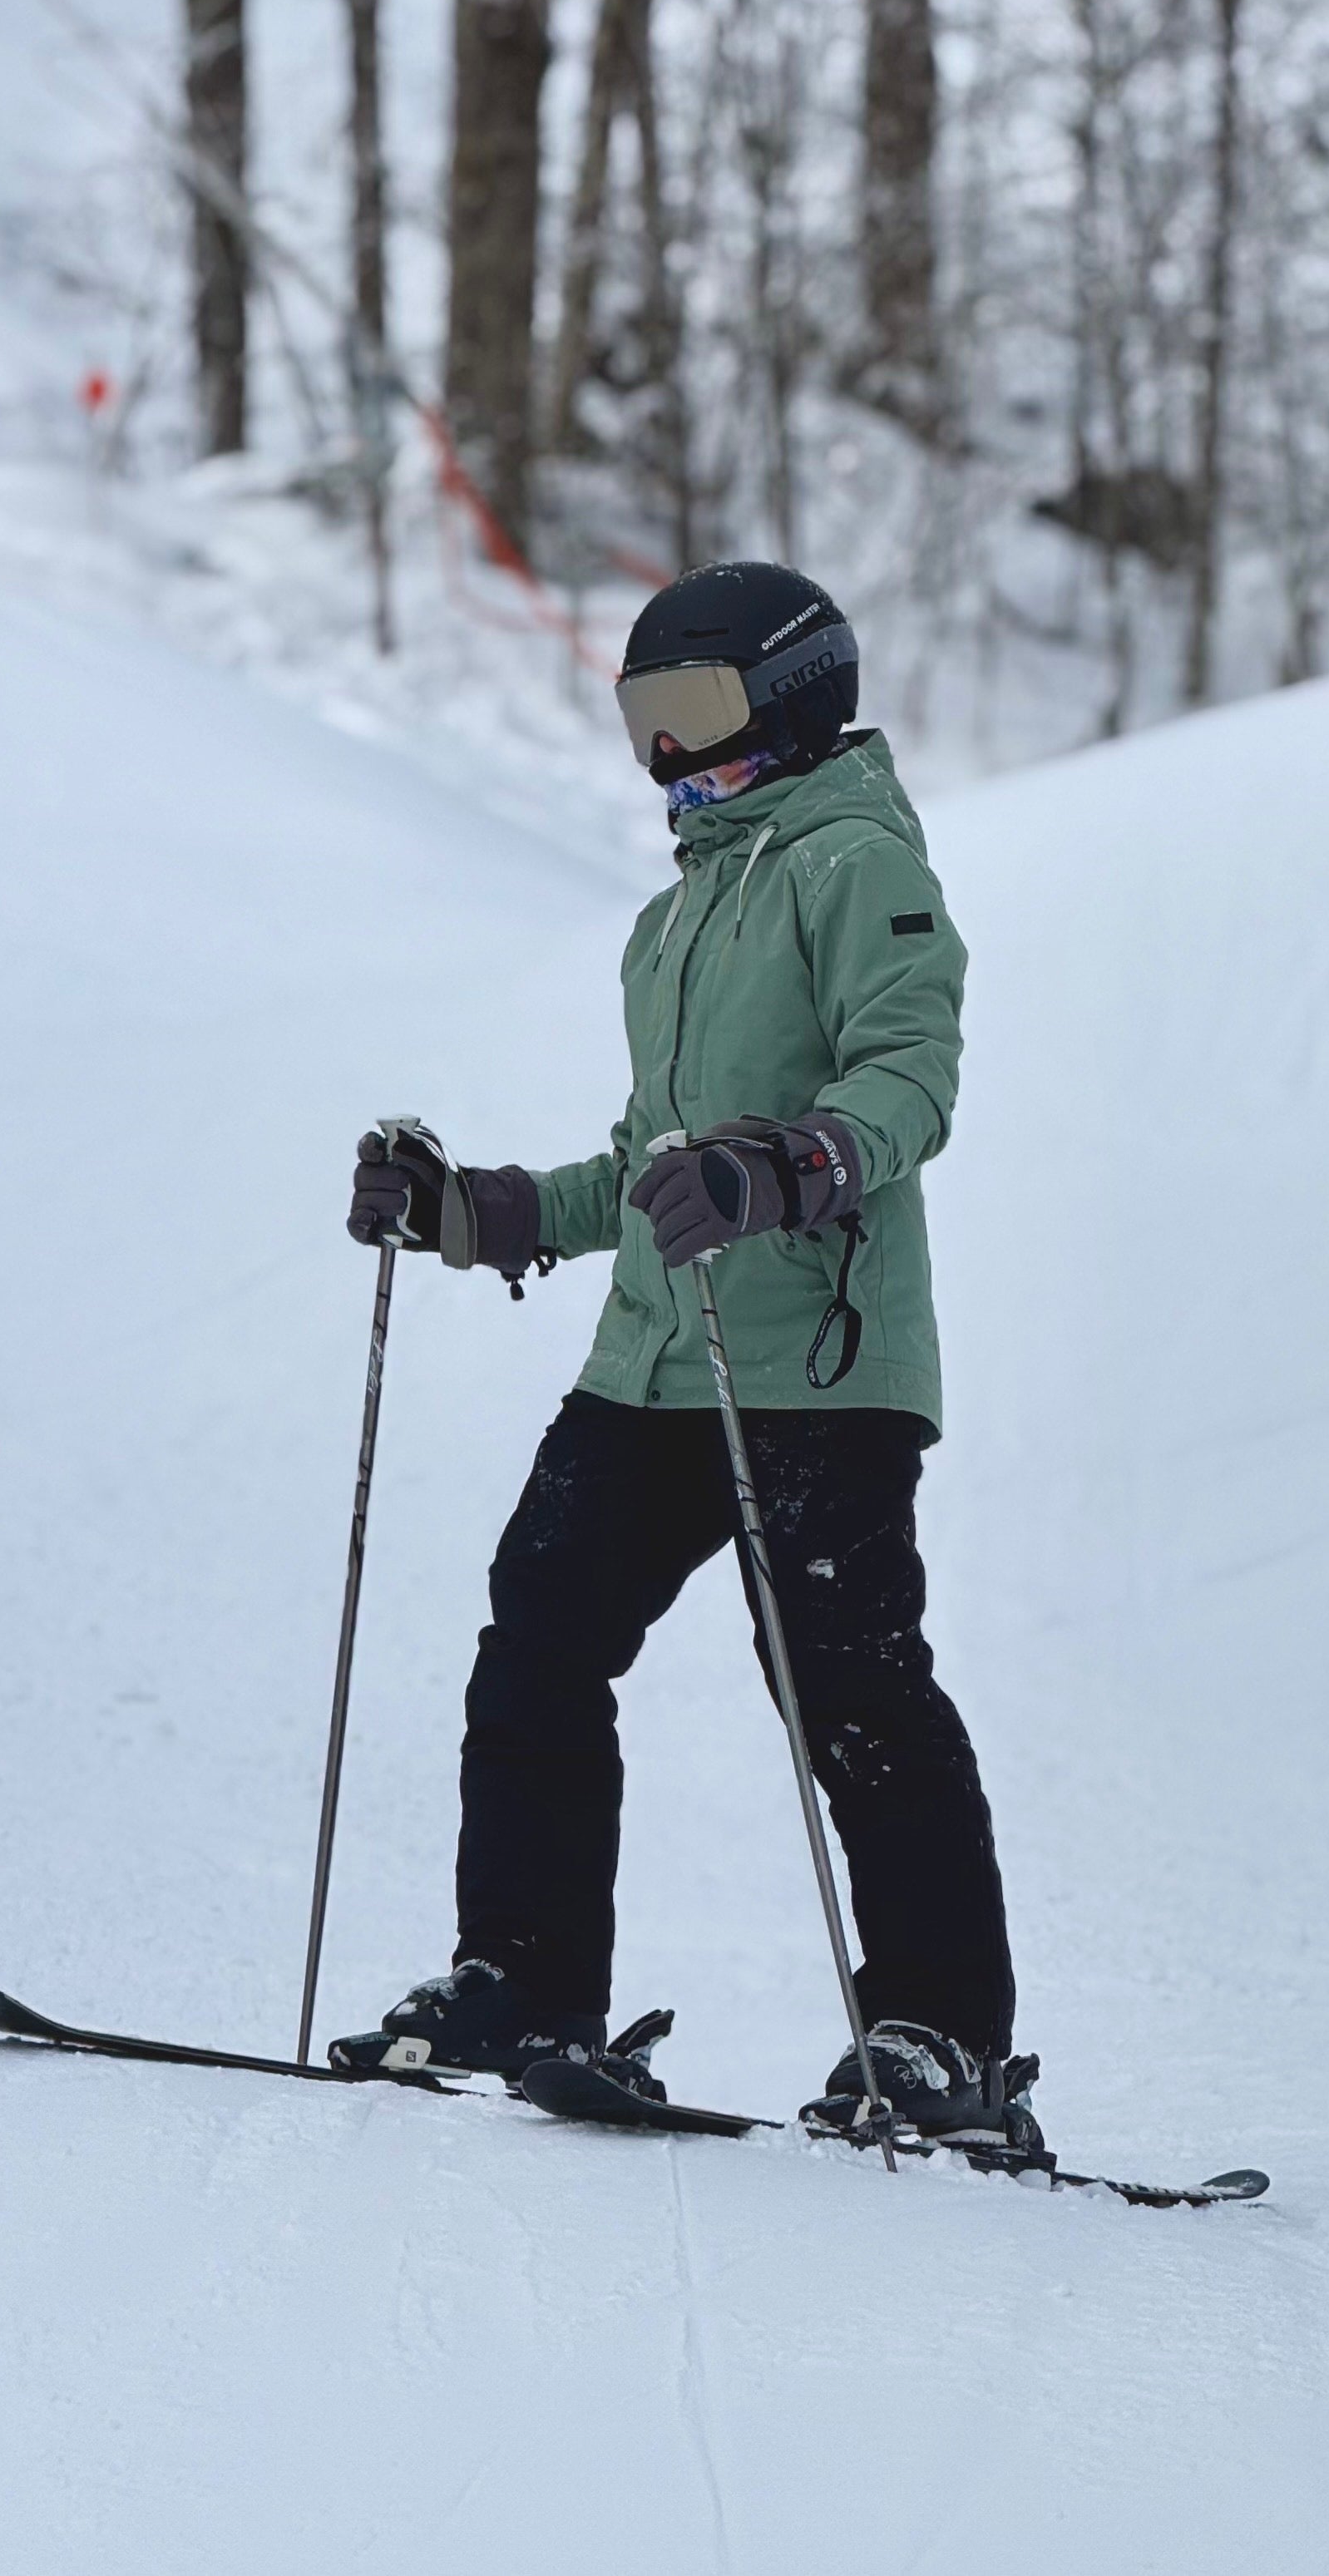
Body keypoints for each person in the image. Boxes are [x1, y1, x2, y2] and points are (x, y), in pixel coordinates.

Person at [332, 560, 1022, 2139]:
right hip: (657, 1358)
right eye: (645, 719)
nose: (667, 754)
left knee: (847, 1686)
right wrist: (475, 1210)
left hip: (822, 1370)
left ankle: (939, 2036)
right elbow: (646, 1161)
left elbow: (911, 1079)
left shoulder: (858, 866)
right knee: (540, 1637)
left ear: (792, 697)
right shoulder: (681, 911)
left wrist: (791, 1165)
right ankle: (522, 1977)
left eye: (694, 714)